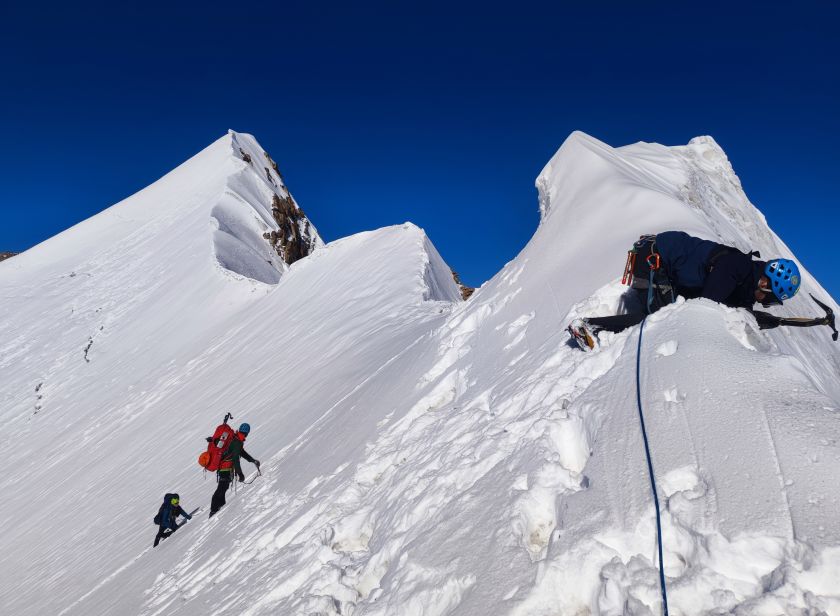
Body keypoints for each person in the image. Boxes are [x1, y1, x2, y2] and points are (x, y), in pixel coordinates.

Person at [568, 231, 801, 350]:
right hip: (654, 260)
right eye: (768, 300)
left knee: (667, 315)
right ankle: (589, 326)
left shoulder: (744, 273)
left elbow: (737, 301)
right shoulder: (736, 267)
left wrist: (757, 317)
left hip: (663, 262)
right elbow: (705, 306)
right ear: (764, 283)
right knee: (662, 320)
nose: (763, 303)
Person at [209, 422, 260, 517]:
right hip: (226, 468)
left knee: (223, 487)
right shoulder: (237, 442)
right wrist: (240, 474)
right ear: (247, 433)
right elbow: (236, 459)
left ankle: (219, 507)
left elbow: (242, 453)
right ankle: (213, 510)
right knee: (222, 488)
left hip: (224, 468)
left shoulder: (236, 439)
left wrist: (253, 460)